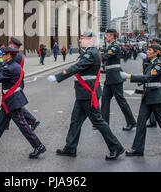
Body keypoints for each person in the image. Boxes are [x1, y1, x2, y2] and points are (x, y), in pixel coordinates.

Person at [47, 32, 125, 160]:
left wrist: (58, 76)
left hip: (88, 93)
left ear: (90, 40)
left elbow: (77, 67)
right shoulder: (88, 52)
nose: (80, 40)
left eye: (83, 38)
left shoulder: (91, 53)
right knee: (75, 121)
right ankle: (70, 148)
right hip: (83, 93)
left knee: (98, 122)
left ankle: (116, 147)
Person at [0, 46, 46, 159]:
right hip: (11, 99)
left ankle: (38, 146)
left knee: (23, 125)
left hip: (12, 100)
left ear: (9, 55)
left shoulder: (9, 68)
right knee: (0, 123)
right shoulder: (15, 66)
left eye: (4, 54)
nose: (2, 56)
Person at [121, 44, 161, 158]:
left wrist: (129, 77)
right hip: (148, 96)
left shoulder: (158, 65)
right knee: (141, 122)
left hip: (157, 96)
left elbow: (147, 78)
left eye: (150, 50)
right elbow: (146, 77)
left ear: (156, 52)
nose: (147, 51)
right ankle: (137, 148)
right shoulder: (151, 63)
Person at [100, 29, 137, 131]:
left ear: (112, 36)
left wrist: (96, 55)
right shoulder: (110, 46)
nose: (105, 36)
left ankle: (131, 122)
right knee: (105, 100)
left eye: (107, 35)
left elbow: (106, 56)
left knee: (121, 101)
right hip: (110, 77)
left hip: (115, 77)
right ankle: (103, 123)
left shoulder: (114, 46)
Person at [8, 37, 40, 131]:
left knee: (15, 106)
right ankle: (4, 125)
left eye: (10, 44)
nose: (9, 45)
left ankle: (33, 121)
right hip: (17, 82)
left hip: (14, 84)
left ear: (13, 45)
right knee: (8, 106)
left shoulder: (14, 56)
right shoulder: (18, 55)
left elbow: (9, 69)